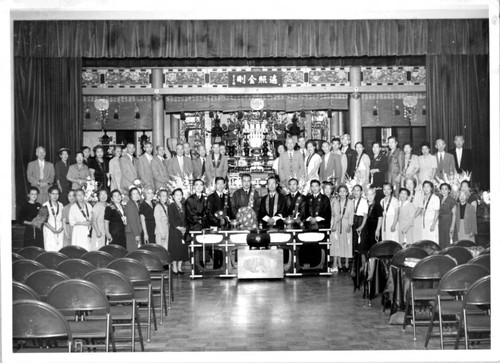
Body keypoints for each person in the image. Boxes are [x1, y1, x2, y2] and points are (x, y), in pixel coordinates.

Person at [333, 185, 354, 272]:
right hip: (338, 224)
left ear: (347, 192)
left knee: (347, 243)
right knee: (338, 243)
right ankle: (339, 264)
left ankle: (346, 264)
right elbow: (335, 214)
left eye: (344, 191)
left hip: (346, 223)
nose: (342, 193)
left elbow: (352, 214)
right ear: (338, 193)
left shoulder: (350, 202)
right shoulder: (336, 202)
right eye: (340, 191)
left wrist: (350, 225)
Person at [168, 188, 189, 274]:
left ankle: (180, 268)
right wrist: (179, 228)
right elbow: (171, 220)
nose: (179, 197)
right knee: (175, 249)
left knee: (182, 249)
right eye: (176, 195)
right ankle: (174, 268)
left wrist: (185, 228)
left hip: (183, 231)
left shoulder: (184, 206)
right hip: (175, 230)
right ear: (173, 196)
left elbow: (187, 218)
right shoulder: (171, 206)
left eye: (180, 195)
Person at [323, 182, 339, 273]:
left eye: (329, 189)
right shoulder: (322, 198)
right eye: (326, 188)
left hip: (333, 223)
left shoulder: (334, 200)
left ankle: (335, 265)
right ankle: (326, 264)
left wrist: (335, 225)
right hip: (324, 223)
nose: (327, 190)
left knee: (334, 244)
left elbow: (337, 214)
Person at [42, 186, 64, 251]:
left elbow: (63, 218)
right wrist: (52, 229)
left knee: (59, 249)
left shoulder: (61, 205)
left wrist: (61, 228)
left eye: (57, 194)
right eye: (53, 194)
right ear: (49, 194)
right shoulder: (44, 205)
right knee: (49, 249)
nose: (55, 196)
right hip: (49, 230)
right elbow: (43, 220)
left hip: (60, 230)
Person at [363, 187, 382, 256]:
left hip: (374, 228)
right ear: (365, 196)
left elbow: (380, 218)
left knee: (374, 247)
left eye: (372, 194)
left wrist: (378, 230)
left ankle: (374, 264)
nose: (370, 196)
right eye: (368, 195)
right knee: (366, 248)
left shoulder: (377, 205)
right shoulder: (364, 204)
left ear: (374, 195)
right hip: (366, 229)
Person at [405, 177, 424, 243]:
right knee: (407, 238)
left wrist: (413, 218)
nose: (409, 185)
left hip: (416, 219)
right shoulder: (403, 195)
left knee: (416, 238)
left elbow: (420, 208)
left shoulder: (418, 194)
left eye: (411, 184)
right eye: (407, 184)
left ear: (414, 185)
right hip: (406, 220)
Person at [438, 183, 456, 249]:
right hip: (440, 222)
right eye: (442, 189)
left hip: (448, 222)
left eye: (446, 189)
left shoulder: (452, 200)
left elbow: (454, 214)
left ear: (449, 190)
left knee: (448, 240)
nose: (444, 191)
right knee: (441, 239)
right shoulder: (438, 199)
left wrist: (452, 226)